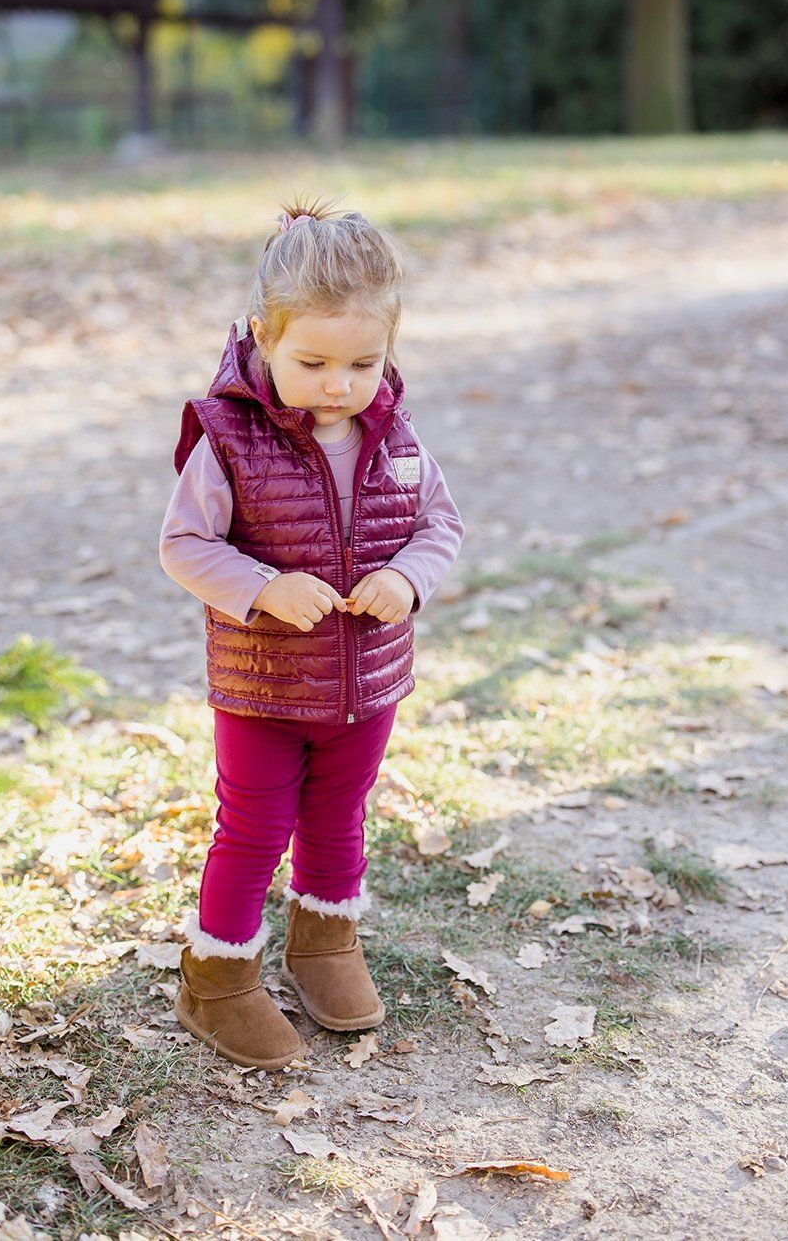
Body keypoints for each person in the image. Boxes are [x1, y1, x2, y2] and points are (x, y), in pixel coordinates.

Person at [159, 195, 465, 1069]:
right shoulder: (227, 440)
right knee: (252, 828)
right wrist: (259, 585)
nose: (340, 383)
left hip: (365, 682)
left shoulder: (396, 434)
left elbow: (441, 526)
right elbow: (182, 545)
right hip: (263, 686)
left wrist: (407, 578)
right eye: (314, 360)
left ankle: (324, 943)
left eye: (364, 362)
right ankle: (216, 977)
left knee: (339, 815)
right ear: (263, 334)